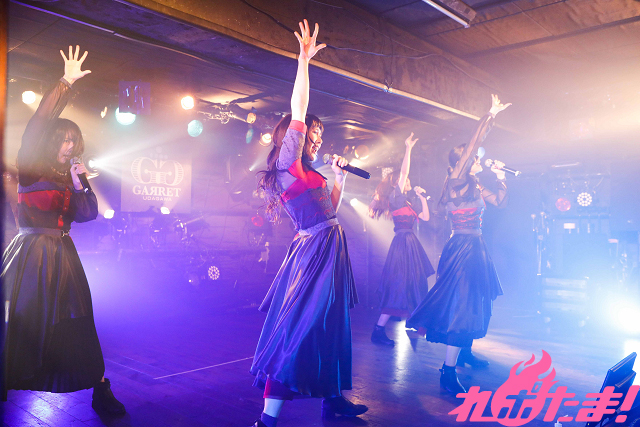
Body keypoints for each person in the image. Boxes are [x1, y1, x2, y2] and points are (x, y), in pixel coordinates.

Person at [249, 20, 367, 427]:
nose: (316, 138)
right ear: (293, 136)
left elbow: (329, 210)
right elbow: (298, 107)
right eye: (312, 133)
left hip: (329, 247)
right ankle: (267, 420)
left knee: (330, 323)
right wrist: (303, 60)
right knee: (300, 328)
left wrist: (341, 180)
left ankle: (332, 400)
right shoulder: (289, 164)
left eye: (318, 134)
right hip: (315, 252)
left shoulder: (310, 173)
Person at [1, 46, 125, 415]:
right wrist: (65, 84)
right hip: (30, 255)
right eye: (63, 139)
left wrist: (80, 181)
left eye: (73, 141)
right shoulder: (30, 167)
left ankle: (99, 388)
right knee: (21, 320)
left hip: (63, 255)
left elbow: (88, 214)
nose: (68, 145)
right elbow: (38, 124)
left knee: (78, 321)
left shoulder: (67, 178)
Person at [406, 94, 511, 395]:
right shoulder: (456, 181)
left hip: (476, 248)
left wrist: (501, 178)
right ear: (461, 163)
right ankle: (447, 371)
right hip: (461, 249)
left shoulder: (475, 185)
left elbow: (500, 202)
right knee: (461, 306)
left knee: (475, 302)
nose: (476, 159)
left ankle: (464, 352)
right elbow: (474, 143)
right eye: (471, 157)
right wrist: (490, 114)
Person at [368, 133, 434, 346]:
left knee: (414, 284)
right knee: (398, 286)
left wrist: (422, 197)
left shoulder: (408, 202)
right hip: (402, 245)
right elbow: (404, 172)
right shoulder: (396, 198)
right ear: (398, 183)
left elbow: (425, 217)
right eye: (406, 181)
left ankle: (411, 322)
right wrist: (408, 148)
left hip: (411, 245)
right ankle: (379, 330)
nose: (409, 182)